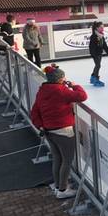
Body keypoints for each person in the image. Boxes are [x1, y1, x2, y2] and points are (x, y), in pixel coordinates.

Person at [30, 64, 88, 199]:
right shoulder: (61, 91)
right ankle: (62, 190)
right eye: (63, 78)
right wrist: (74, 85)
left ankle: (58, 186)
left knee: (57, 159)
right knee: (67, 160)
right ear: (59, 79)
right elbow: (82, 96)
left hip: (49, 131)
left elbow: (35, 111)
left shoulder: (43, 90)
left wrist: (40, 126)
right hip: (63, 131)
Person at [89, 21, 108, 87]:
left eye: (103, 27)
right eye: (101, 27)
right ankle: (95, 79)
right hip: (95, 54)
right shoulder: (93, 36)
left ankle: (93, 78)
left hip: (99, 53)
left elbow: (104, 44)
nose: (103, 29)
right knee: (98, 65)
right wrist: (93, 54)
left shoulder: (101, 35)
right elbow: (91, 46)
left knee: (97, 65)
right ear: (97, 28)